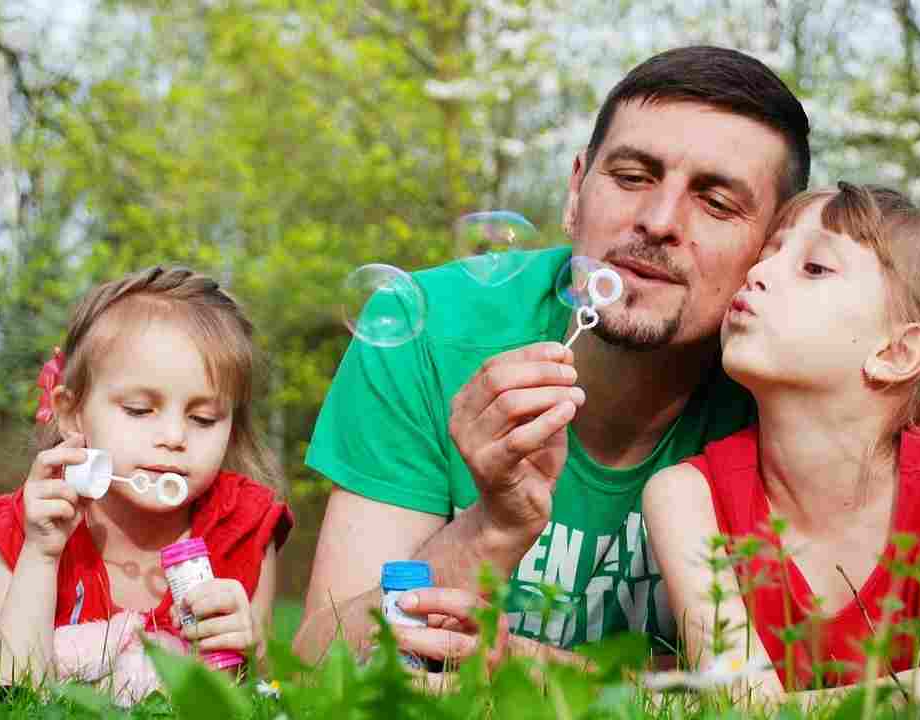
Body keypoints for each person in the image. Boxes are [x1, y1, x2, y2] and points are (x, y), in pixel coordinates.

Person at [294, 45, 811, 669]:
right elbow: (316, 663)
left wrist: (538, 675)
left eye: (716, 202)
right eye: (631, 177)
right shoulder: (421, 328)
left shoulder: (790, 388)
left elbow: (794, 691)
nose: (657, 220)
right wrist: (494, 527)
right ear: (575, 190)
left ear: (772, 249)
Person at [642, 183, 920, 719]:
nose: (757, 272)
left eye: (814, 268)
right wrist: (917, 688)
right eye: (769, 252)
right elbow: (741, 706)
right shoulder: (685, 496)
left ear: (898, 352)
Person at [0, 266, 294, 707]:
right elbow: (8, 688)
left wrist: (251, 648)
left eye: (204, 418)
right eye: (139, 409)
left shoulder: (244, 526)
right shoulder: (28, 523)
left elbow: (261, 695)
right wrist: (40, 553)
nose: (174, 437)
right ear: (71, 413)